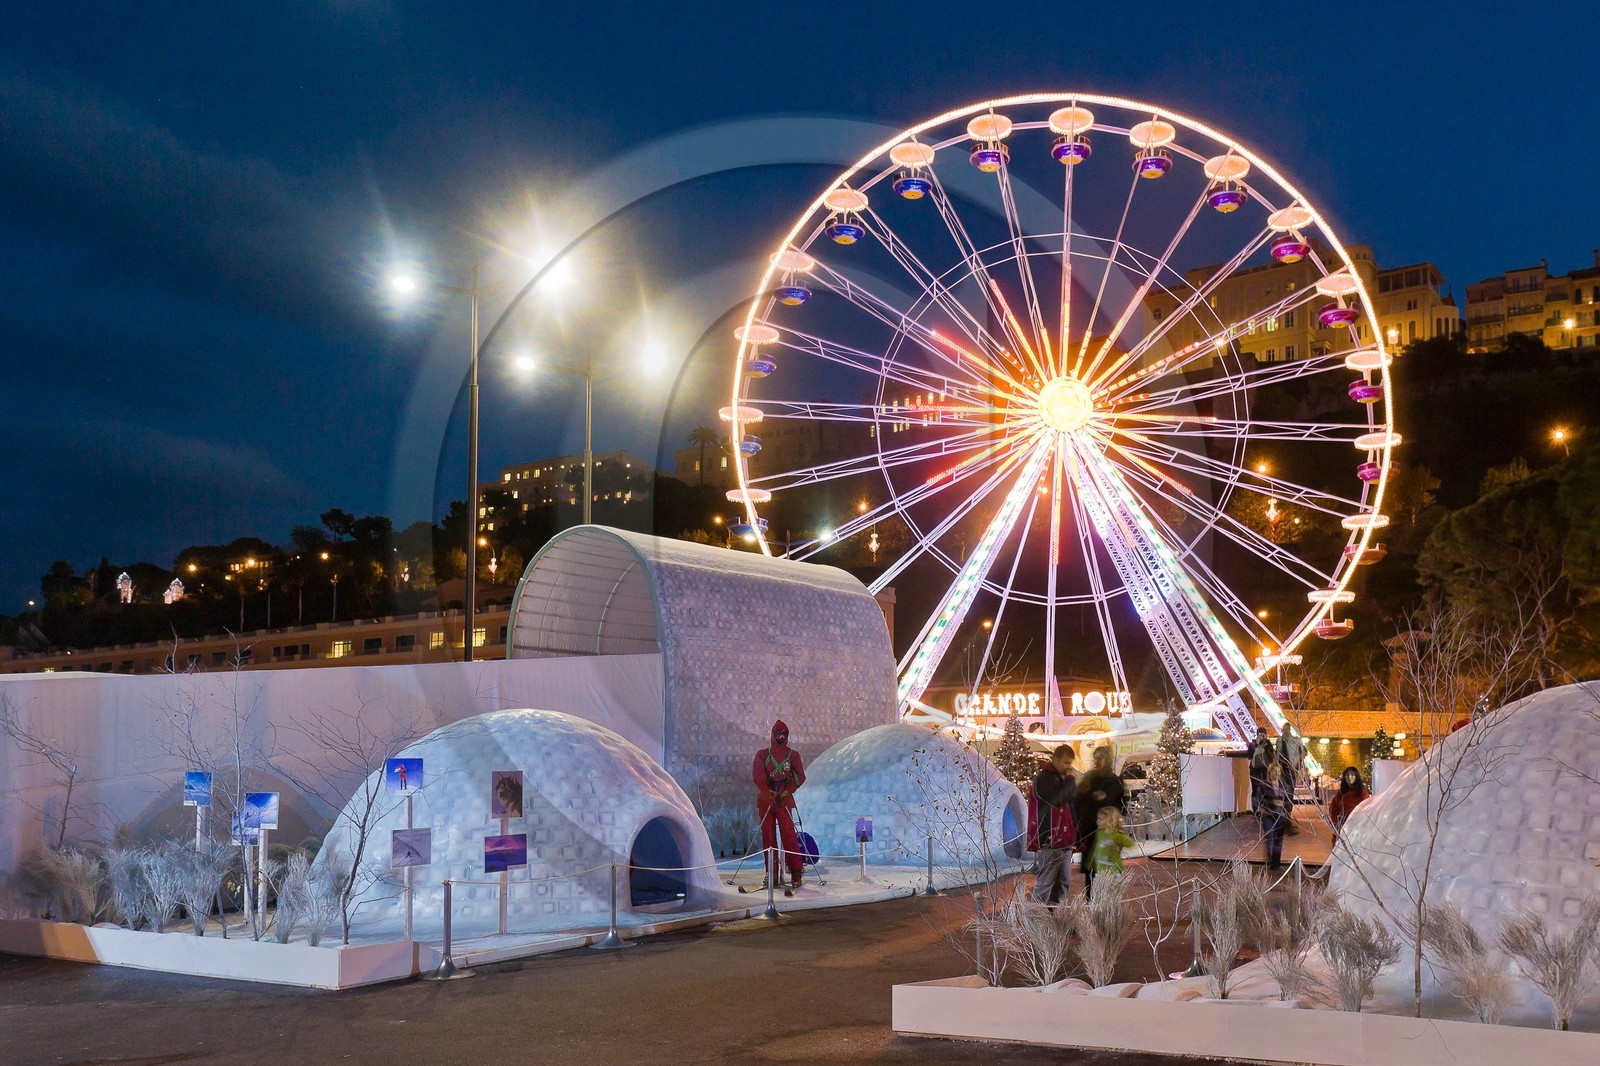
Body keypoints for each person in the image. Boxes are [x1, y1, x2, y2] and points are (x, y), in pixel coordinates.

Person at [753, 720, 806, 889]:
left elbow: (800, 776)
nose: (781, 737)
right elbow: (759, 777)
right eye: (778, 733)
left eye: (784, 734)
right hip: (767, 800)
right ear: (773, 735)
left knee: (789, 835)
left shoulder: (793, 755)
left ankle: (796, 872)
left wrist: (787, 791)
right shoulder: (763, 755)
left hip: (784, 799)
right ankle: (771, 873)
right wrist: (768, 793)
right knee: (768, 837)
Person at [1028, 745, 1077, 907]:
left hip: (1064, 841)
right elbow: (1057, 800)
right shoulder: (1043, 779)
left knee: (1063, 883)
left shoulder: (1061, 779)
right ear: (1055, 759)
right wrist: (1070, 781)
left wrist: (1074, 835)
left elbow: (1070, 805)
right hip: (1049, 839)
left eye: (1070, 763)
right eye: (1066, 762)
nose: (1069, 766)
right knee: (1045, 884)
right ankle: (1036, 917)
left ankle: (1056, 916)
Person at [1074, 745, 1126, 899]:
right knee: (1091, 869)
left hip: (1107, 831)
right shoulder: (1088, 778)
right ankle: (1091, 900)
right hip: (1089, 830)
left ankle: (1106, 901)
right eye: (1095, 758)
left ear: (1107, 759)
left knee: (1108, 867)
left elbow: (1121, 805)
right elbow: (1077, 800)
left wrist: (1106, 798)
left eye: (1100, 758)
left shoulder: (1115, 781)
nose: (1097, 761)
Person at [1259, 761, 1291, 868]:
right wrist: (1272, 803)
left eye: (1278, 771)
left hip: (1280, 815)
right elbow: (1260, 800)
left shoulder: (1284, 786)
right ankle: (1270, 861)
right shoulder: (1264, 785)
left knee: (1278, 840)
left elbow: (1288, 801)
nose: (1277, 773)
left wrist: (1284, 804)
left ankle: (1276, 862)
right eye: (1274, 771)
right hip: (1268, 814)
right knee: (1270, 837)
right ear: (1270, 772)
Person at [1327, 766, 1369, 842]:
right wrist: (1336, 824)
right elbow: (1333, 809)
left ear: (1356, 776)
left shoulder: (1362, 793)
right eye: (1347, 775)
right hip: (1342, 826)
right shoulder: (1341, 793)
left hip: (1356, 827)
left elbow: (1366, 810)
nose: (1349, 777)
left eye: (1352, 774)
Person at [1089, 807, 1135, 876]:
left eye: (1101, 819)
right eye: (1098, 818)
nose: (1097, 821)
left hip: (1113, 872)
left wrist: (1114, 844)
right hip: (1100, 871)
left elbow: (1131, 843)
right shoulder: (1099, 833)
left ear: (1110, 821)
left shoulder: (1117, 835)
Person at [1246, 728, 1275, 816]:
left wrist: (1266, 745)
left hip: (1265, 769)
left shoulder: (1268, 744)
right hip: (1254, 770)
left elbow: (1272, 756)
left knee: (1265, 789)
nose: (1261, 736)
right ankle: (1255, 810)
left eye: (1263, 734)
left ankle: (1264, 809)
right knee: (1255, 789)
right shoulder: (1253, 744)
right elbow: (1249, 756)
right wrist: (1257, 745)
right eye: (1259, 734)